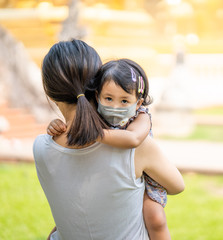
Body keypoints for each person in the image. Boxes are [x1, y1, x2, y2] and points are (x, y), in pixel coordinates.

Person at [33, 39, 185, 240]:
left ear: (49, 92)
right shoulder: (135, 148)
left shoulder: (41, 148)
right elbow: (176, 186)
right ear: (98, 85)